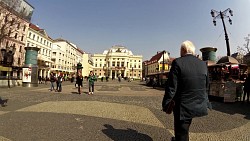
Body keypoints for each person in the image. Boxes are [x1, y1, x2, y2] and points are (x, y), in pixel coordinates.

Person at [162, 40, 211, 141]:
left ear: (183, 50)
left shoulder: (178, 62)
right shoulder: (202, 64)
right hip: (198, 103)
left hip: (183, 106)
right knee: (184, 129)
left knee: (181, 133)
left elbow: (171, 86)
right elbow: (206, 84)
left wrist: (166, 103)